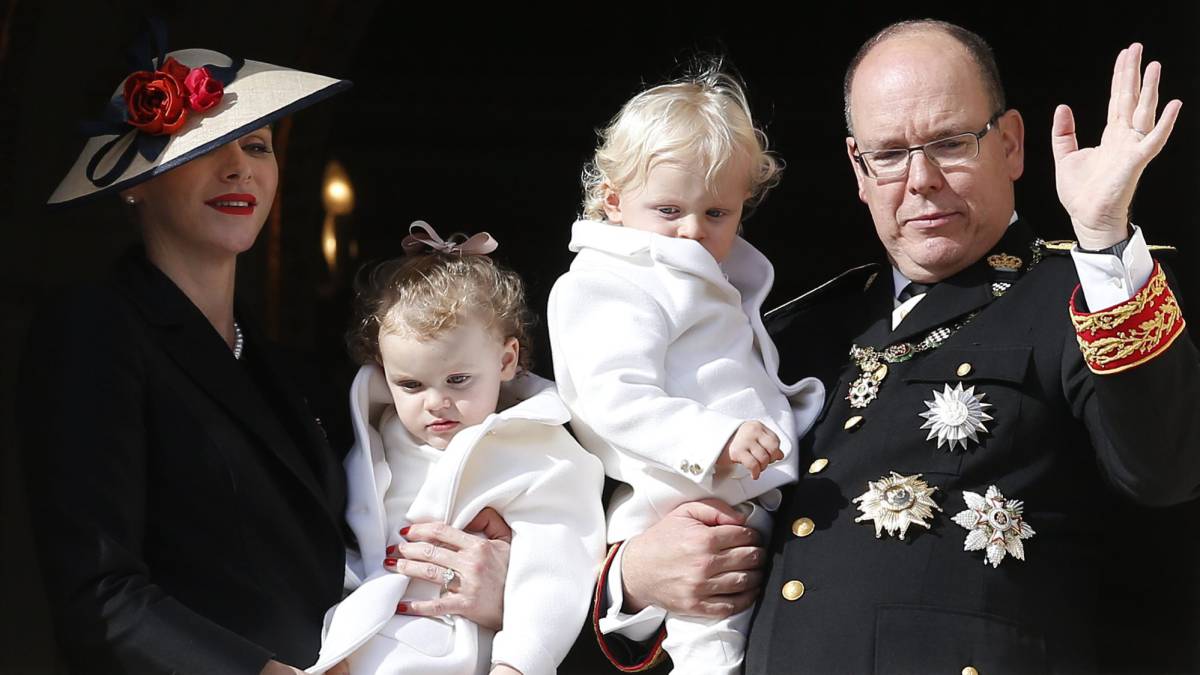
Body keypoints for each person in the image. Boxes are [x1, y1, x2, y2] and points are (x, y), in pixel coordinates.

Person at [595, 21, 1200, 674]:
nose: (921, 179)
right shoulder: (795, 331)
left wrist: (1105, 236)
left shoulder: (1093, 290)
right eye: (889, 154)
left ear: (1012, 144)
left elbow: (1165, 469)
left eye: (949, 142)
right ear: (858, 167)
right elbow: (654, 479)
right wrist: (633, 574)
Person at [20, 43, 512, 675]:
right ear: (133, 184)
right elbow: (99, 597)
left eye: (257, 146)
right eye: (203, 147)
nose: (238, 170)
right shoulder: (95, 330)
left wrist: (495, 570)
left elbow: (386, 520)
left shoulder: (297, 375)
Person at [547, 67, 824, 674]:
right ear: (614, 200)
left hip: (731, 488)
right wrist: (714, 438)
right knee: (711, 646)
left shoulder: (702, 272)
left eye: (717, 213)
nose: (693, 230)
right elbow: (611, 397)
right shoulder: (608, 281)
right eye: (668, 209)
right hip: (681, 497)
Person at [309, 223, 606, 675]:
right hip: (361, 640)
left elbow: (558, 561)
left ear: (506, 361)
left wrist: (521, 662)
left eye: (458, 380)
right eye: (410, 384)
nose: (436, 402)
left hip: (466, 650)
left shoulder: (539, 450)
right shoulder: (376, 436)